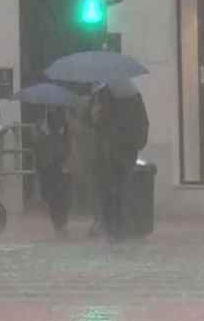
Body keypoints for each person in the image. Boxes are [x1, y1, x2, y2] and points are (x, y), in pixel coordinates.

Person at [86, 83, 149, 244]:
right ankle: (115, 230)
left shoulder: (109, 96)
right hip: (118, 152)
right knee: (116, 191)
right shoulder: (131, 94)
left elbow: (140, 123)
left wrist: (95, 118)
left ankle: (115, 230)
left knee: (113, 191)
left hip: (115, 152)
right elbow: (143, 122)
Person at [36, 105, 75, 238]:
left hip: (60, 162)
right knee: (53, 197)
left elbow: (69, 143)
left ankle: (61, 224)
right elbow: (39, 143)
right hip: (49, 164)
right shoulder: (43, 124)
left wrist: (67, 158)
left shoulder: (64, 123)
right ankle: (59, 225)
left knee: (62, 196)